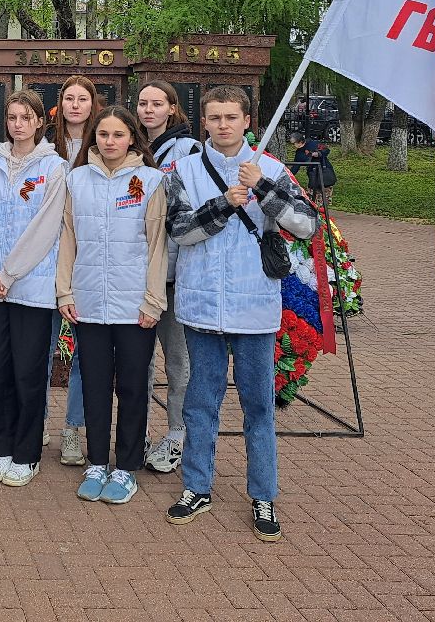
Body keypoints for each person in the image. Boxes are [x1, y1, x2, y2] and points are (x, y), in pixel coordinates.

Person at [163, 85, 318, 542]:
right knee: (200, 403)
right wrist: (224, 204)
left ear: (248, 121)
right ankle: (196, 485)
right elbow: (179, 230)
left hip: (255, 306)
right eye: (215, 117)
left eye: (232, 116)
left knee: (258, 406)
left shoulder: (271, 169)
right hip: (202, 304)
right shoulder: (183, 169)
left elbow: (305, 225)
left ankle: (263, 494)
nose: (223, 124)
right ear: (204, 121)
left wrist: (262, 190)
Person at [56, 106, 168, 504]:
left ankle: (127, 468)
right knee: (96, 387)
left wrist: (153, 300)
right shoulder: (76, 179)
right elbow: (67, 239)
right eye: (103, 134)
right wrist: (65, 292)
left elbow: (158, 247)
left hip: (135, 304)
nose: (109, 141)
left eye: (118, 135)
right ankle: (97, 462)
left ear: (132, 139)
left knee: (134, 387)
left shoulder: (150, 181)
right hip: (87, 302)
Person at [0, 89, 68, 488]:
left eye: (26, 118)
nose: (18, 125)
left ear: (40, 122)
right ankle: (3, 448)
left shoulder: (55, 168)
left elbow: (46, 229)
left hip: (32, 287)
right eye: (12, 118)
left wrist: (8, 273)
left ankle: (27, 455)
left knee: (28, 373)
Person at [135, 80, 202, 474]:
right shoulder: (128, 145)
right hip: (139, 272)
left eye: (157, 103)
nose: (148, 110)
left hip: (174, 274)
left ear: (172, 108)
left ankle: (177, 434)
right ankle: (138, 430)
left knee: (178, 362)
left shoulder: (190, 151)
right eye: (143, 103)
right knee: (138, 362)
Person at [44, 75, 98, 467]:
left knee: (86, 353)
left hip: (87, 260)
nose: (75, 105)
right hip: (47, 258)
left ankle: (73, 429)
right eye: (69, 98)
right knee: (41, 348)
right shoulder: (46, 146)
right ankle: (39, 418)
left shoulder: (105, 145)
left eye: (82, 99)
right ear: (59, 105)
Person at [290, 131, 336, 209]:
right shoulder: (299, 153)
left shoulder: (313, 143)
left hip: (324, 173)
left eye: (295, 143)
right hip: (313, 175)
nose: (294, 145)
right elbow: (295, 166)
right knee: (312, 199)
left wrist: (318, 153)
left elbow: (326, 150)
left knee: (323, 197)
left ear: (300, 141)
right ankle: (316, 212)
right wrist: (289, 175)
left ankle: (323, 213)